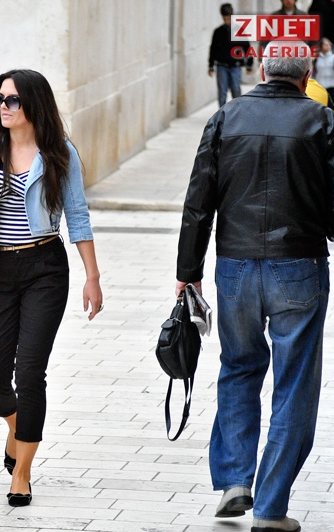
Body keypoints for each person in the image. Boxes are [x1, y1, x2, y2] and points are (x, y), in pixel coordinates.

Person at [176, 41, 331, 532]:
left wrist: (188, 270)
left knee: (239, 367)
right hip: (299, 264)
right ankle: (270, 508)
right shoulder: (322, 120)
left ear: (261, 70)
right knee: (294, 382)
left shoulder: (226, 117)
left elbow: (198, 201)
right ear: (307, 75)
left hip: (235, 267)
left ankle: (234, 481)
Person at [0, 69, 103, 508]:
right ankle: (17, 429)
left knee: (30, 372)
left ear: (34, 104)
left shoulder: (59, 153)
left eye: (12, 100)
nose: (3, 106)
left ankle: (22, 472)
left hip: (44, 268)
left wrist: (92, 277)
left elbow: (77, 214)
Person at [209, 4, 253, 108]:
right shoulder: (218, 32)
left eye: (228, 18)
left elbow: (247, 48)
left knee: (236, 90)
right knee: (222, 92)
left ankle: (236, 112)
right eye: (225, 18)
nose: (227, 20)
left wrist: (249, 64)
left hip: (235, 65)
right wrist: (211, 66)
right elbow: (213, 49)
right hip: (222, 65)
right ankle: (222, 114)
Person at [314, 38, 334, 102]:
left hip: (332, 86)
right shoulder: (316, 59)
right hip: (320, 85)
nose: (328, 46)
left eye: (329, 44)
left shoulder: (333, 58)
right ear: (321, 46)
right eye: (325, 44)